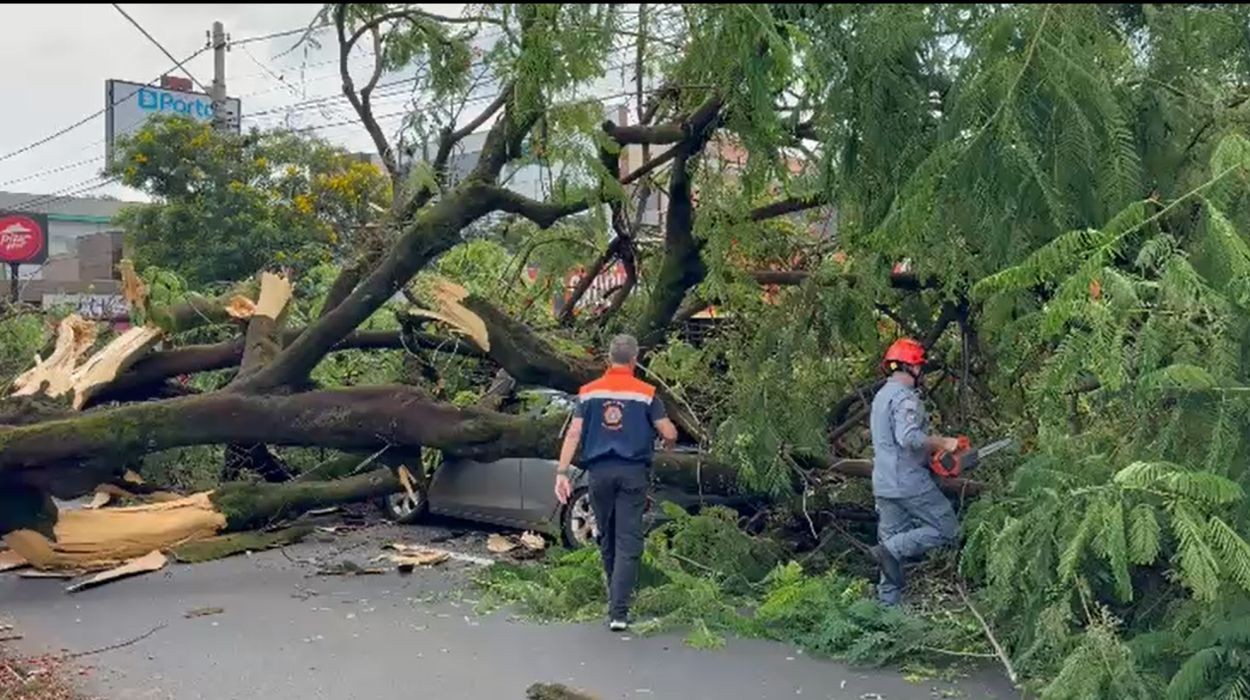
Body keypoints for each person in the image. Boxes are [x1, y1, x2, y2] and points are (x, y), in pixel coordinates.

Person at [555, 334, 678, 632]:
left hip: (598, 474)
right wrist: (667, 440)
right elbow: (669, 431)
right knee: (628, 540)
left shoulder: (589, 393)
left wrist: (561, 472)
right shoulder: (647, 393)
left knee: (607, 535)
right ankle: (619, 611)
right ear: (635, 359)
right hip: (632, 473)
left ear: (608, 359)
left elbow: (573, 433)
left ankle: (615, 595)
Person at [868, 338, 961, 606]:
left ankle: (887, 611)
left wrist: (930, 453)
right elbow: (908, 437)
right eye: (920, 367)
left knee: (890, 548)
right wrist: (943, 442)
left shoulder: (881, 396)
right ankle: (891, 549)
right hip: (908, 481)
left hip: (884, 482)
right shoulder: (905, 399)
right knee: (947, 530)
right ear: (913, 368)